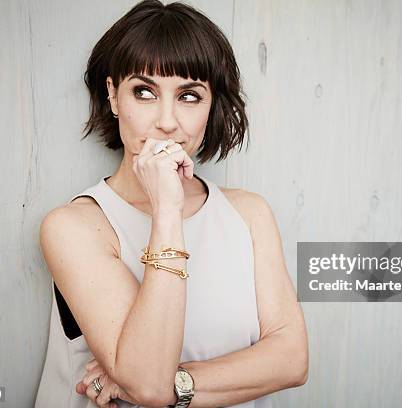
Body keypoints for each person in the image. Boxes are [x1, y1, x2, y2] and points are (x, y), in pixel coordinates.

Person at [34, 1, 308, 407]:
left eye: (189, 96)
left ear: (211, 105)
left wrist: (174, 384)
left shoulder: (249, 214)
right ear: (113, 96)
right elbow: (145, 379)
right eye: (144, 92)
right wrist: (166, 210)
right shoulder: (73, 226)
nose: (166, 121)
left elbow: (292, 360)